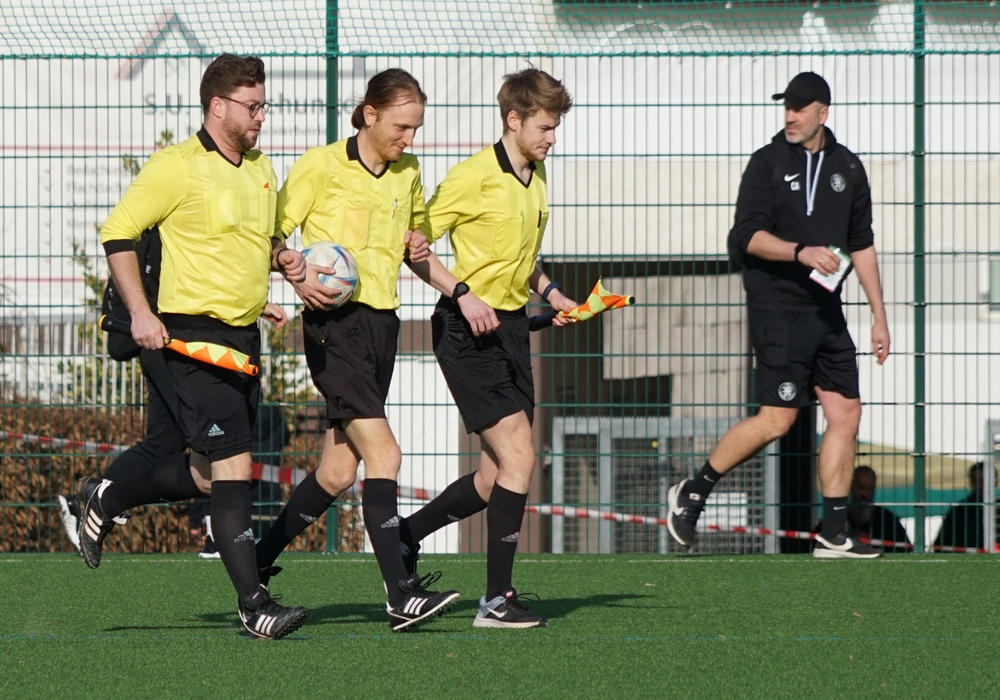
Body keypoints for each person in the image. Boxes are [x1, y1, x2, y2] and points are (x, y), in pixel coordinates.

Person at [77, 53, 310, 639]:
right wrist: (140, 313)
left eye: (264, 105)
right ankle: (255, 604)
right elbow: (117, 233)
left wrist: (277, 265)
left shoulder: (260, 168)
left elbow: (254, 243)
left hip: (243, 338)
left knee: (208, 475)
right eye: (252, 106)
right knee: (235, 467)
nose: (261, 116)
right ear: (217, 106)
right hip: (188, 340)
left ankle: (107, 500)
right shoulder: (175, 167)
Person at [251, 68, 460, 632]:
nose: (408, 139)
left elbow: (416, 246)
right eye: (400, 127)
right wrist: (293, 274)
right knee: (385, 455)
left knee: (339, 469)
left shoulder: (408, 173)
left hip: (382, 328)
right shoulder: (319, 166)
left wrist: (439, 266)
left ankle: (256, 560)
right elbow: (271, 238)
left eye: (415, 129)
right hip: (333, 327)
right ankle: (400, 593)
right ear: (369, 115)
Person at [665, 72, 891, 559]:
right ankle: (693, 492)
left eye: (799, 108)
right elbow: (746, 237)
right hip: (777, 310)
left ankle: (833, 533)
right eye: (786, 106)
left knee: (846, 412)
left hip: (826, 312)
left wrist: (879, 315)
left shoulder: (849, 168)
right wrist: (800, 251)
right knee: (777, 420)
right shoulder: (767, 162)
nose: (790, 116)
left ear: (822, 113)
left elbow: (862, 244)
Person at [399, 67, 576, 628]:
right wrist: (463, 293)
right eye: (545, 127)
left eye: (556, 127)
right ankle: (496, 601)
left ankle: (405, 536)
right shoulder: (471, 176)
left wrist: (553, 294)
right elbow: (414, 246)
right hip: (465, 330)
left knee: (493, 475)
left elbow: (523, 262)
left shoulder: (536, 176)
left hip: (512, 332)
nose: (552, 138)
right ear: (514, 120)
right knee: (521, 457)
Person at [813, 466, 910, 552]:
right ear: (851, 486)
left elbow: (905, 548)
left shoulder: (888, 520)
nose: (865, 494)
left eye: (870, 489)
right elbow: (813, 543)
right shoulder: (837, 515)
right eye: (861, 488)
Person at [934, 462, 993, 551]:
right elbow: (942, 544)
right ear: (971, 482)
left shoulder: (997, 507)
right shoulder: (959, 510)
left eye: (986, 481)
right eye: (977, 481)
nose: (982, 485)